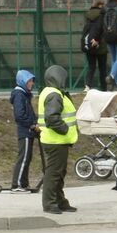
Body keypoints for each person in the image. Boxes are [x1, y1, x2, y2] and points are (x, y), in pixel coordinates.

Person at [37, 65, 78, 215]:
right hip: (56, 140)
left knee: (58, 173)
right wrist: (65, 129)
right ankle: (49, 203)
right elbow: (52, 118)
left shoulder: (52, 92)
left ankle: (60, 202)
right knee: (54, 173)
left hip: (56, 140)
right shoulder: (54, 94)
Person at [9, 69, 39, 193]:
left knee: (27, 157)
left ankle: (24, 183)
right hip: (25, 131)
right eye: (29, 81)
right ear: (23, 82)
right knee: (23, 157)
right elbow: (19, 115)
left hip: (29, 131)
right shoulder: (19, 94)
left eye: (32, 81)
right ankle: (17, 185)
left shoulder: (24, 95)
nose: (31, 84)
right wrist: (32, 124)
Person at [80, 0, 109, 91]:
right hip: (101, 44)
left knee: (91, 67)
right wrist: (98, 40)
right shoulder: (103, 14)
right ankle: (103, 87)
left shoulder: (88, 14)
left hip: (89, 44)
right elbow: (103, 29)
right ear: (101, 5)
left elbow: (86, 30)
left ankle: (87, 86)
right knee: (102, 68)